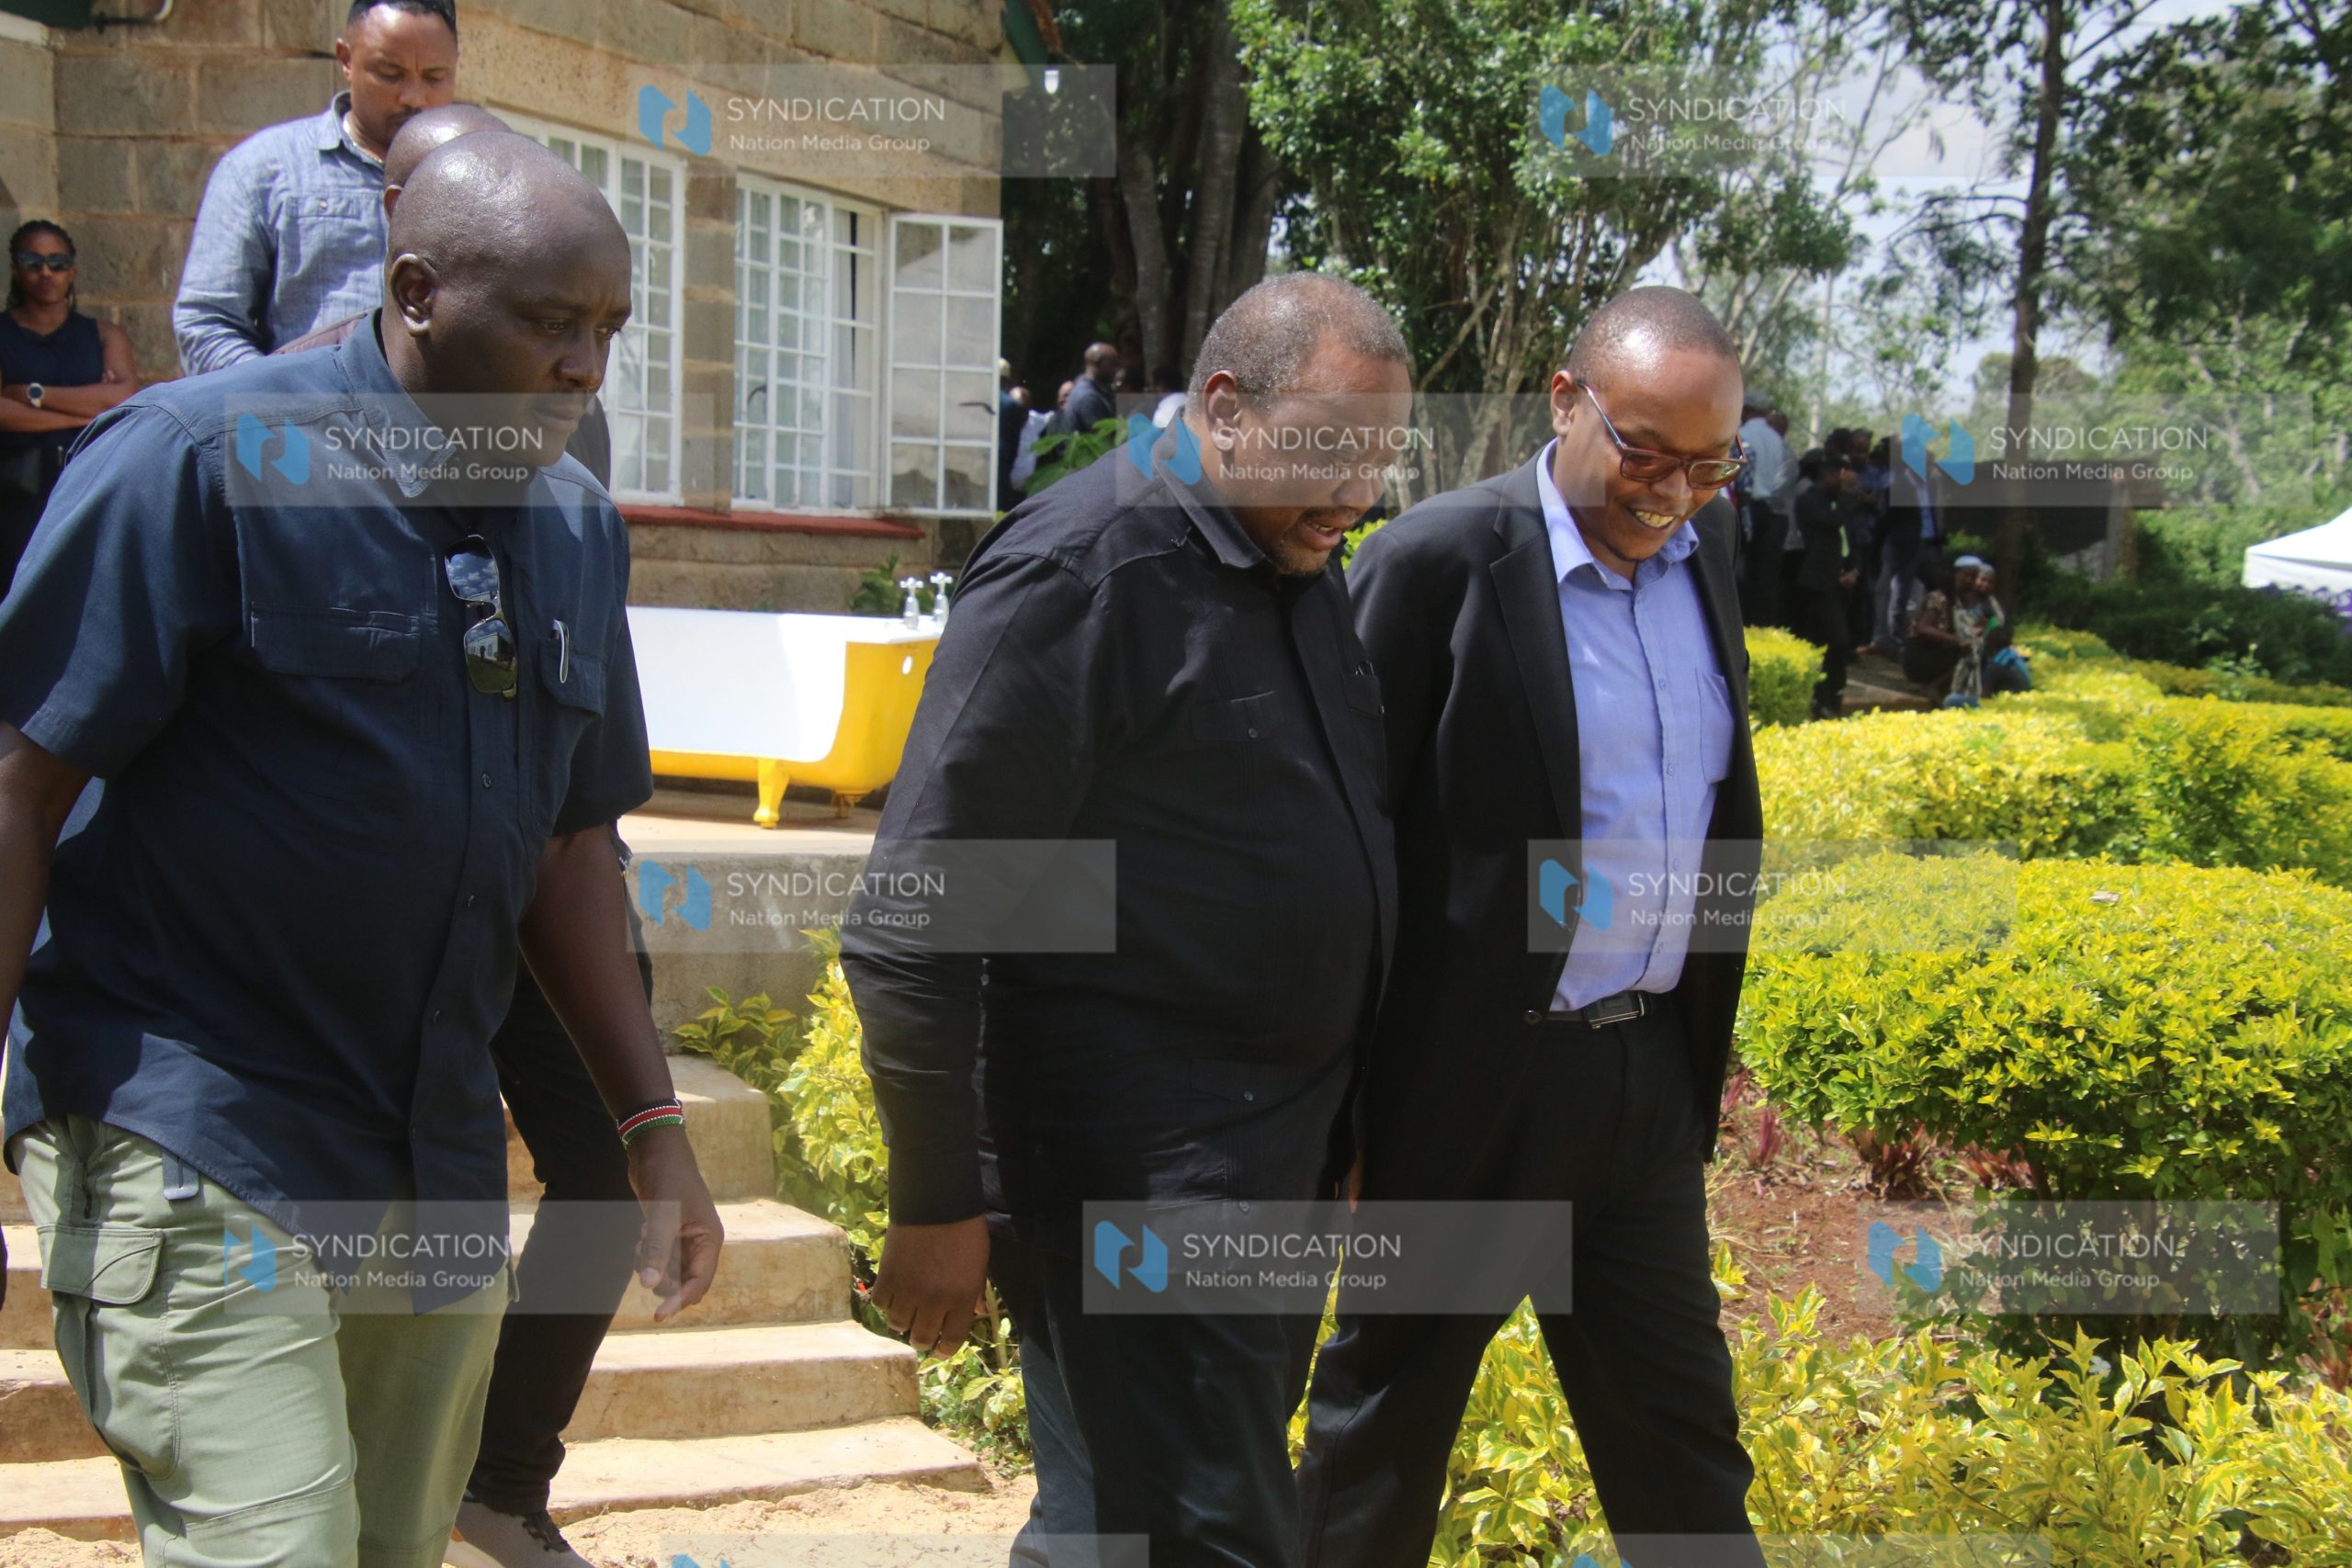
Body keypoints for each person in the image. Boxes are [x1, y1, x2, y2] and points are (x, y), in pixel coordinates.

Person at [0, 130, 722, 1568]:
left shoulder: (575, 526)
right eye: (549, 323)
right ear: (414, 290)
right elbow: (20, 781)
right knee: (269, 1547)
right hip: (194, 1121)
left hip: (432, 1153)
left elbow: (572, 851)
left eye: (607, 331)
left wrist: (653, 1131)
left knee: (389, 1546)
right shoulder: (195, 461)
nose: (586, 367)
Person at [842, 273, 1408, 1567]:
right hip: (1137, 1167)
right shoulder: (1079, 571)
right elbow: (913, 914)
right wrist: (937, 1201)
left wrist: (1350, 1126)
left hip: (1275, 1164)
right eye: (1331, 453)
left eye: (1378, 461)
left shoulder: (1292, 554)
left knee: (1130, 1530)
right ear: (1222, 406)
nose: (1355, 494)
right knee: (1192, 1535)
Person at [1295, 286, 1766, 1568]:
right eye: (1644, 450)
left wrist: (1677, 1075)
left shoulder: (1705, 558)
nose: (1670, 492)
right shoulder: (1438, 560)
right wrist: (1341, 1114)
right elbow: (1344, 849)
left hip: (1639, 1087)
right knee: (1383, 1435)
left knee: (1684, 1447)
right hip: (1468, 1091)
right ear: (1565, 400)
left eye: (1708, 464)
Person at [173, 0, 459, 373]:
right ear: (346, 59)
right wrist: (288, 409)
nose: (414, 97)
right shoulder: (264, 169)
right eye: (391, 73)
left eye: (435, 77)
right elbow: (206, 324)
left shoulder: (491, 177)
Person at [0, 221, 140, 592]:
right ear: (16, 269)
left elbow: (123, 397)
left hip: (89, 482)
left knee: (87, 590)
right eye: (33, 262)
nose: (46, 272)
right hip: (16, 492)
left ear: (72, 271)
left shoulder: (104, 335)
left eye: (57, 262)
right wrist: (86, 411)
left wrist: (33, 395)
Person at [1794, 449, 1860, 719]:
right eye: (1841, 476)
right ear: (1827, 476)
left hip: (1845, 583)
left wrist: (1856, 568)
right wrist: (1846, 493)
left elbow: (1852, 538)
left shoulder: (1841, 503)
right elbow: (1830, 523)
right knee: (1832, 639)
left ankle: (1834, 698)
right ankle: (1819, 698)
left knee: (1841, 645)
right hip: (1819, 583)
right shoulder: (1810, 500)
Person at [1734, 400, 1792, 627]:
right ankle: (1762, 625)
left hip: (1747, 506)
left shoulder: (1742, 434)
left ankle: (1740, 620)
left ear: (1746, 410)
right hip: (1769, 508)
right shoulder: (1777, 439)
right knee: (1764, 573)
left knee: (1740, 568)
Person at [1046, 340, 1118, 436]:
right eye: (1113, 364)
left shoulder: (1086, 389)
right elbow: (1103, 440)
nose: (1116, 369)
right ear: (1100, 363)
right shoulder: (1088, 397)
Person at [1149, 362, 1187, 428]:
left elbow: (1158, 437)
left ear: (1162, 385)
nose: (1154, 389)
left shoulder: (1162, 412)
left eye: (1154, 385)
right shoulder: (1192, 403)